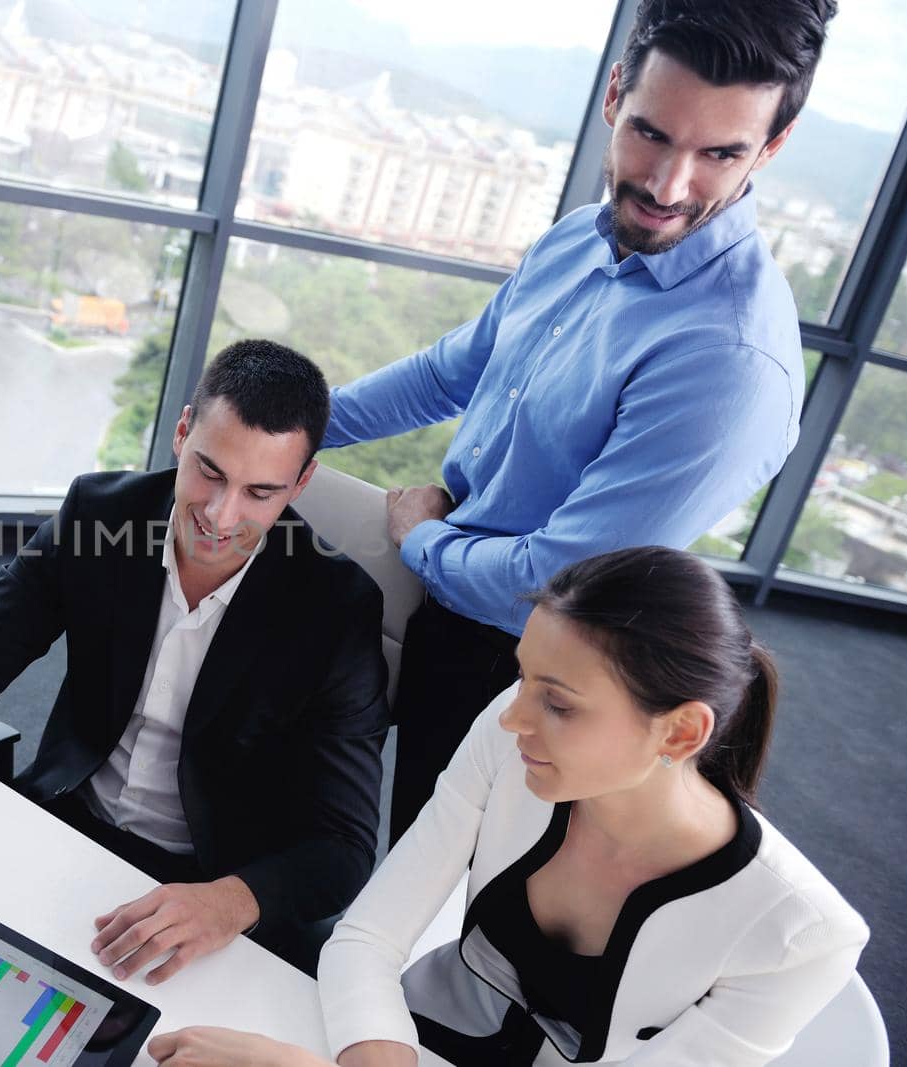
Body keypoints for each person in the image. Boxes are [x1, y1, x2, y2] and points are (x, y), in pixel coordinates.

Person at [321, 0, 837, 843]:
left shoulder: (731, 363)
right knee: (368, 813)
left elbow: (552, 585)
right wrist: (296, 423)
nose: (669, 187)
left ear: (770, 150)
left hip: (536, 664)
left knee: (452, 880)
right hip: (452, 587)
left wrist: (421, 537)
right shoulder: (577, 239)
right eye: (652, 134)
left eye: (719, 154)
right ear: (614, 95)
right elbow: (457, 369)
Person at [147, 546, 868, 1066]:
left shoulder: (803, 936)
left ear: (680, 731)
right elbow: (368, 937)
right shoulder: (511, 735)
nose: (516, 717)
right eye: (523, 677)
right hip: (393, 1036)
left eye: (558, 702)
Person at [0, 340, 388, 979]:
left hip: (206, 882)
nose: (221, 515)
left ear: (301, 483)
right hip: (68, 822)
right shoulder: (99, 516)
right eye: (209, 471)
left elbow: (343, 847)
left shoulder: (337, 609)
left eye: (260, 493)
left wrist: (232, 901)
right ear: (182, 432)